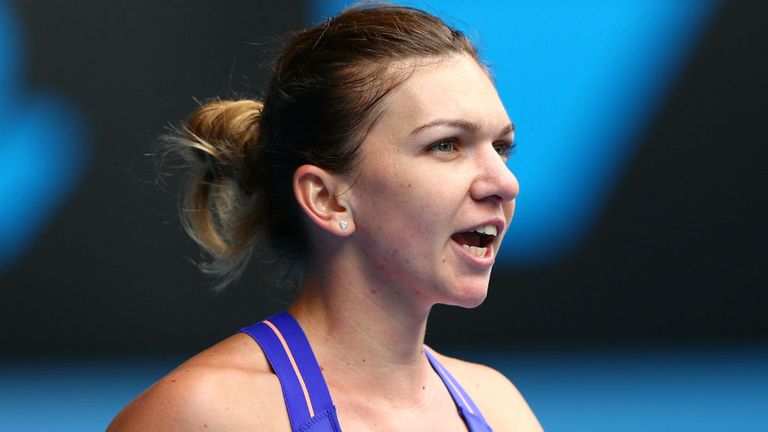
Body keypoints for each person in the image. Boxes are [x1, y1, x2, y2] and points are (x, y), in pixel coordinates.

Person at [108, 3, 542, 431]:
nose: (505, 183)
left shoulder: (502, 409)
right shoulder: (202, 414)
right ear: (327, 199)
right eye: (445, 145)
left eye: (501, 148)